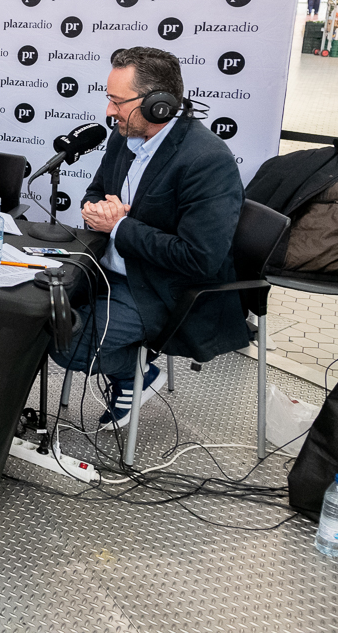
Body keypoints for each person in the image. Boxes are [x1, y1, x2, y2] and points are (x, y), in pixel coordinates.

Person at [51, 47, 246, 429]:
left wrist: (122, 227)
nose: (109, 111)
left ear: (159, 104)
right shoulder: (124, 136)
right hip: (106, 267)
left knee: (67, 342)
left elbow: (200, 257)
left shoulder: (206, 160)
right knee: (35, 312)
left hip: (159, 287)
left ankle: (135, 374)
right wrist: (97, 210)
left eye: (117, 101)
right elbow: (96, 190)